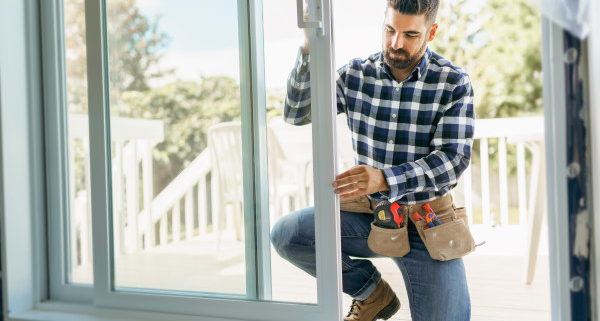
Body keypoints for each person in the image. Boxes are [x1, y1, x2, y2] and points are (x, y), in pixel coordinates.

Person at [270, 0, 475, 320]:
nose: (396, 43)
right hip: (370, 216)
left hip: (426, 222)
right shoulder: (354, 75)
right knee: (287, 234)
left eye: (410, 34)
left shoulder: (453, 82)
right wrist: (309, 48)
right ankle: (371, 293)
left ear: (431, 32)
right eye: (390, 30)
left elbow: (454, 159)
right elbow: (296, 114)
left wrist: (385, 178)